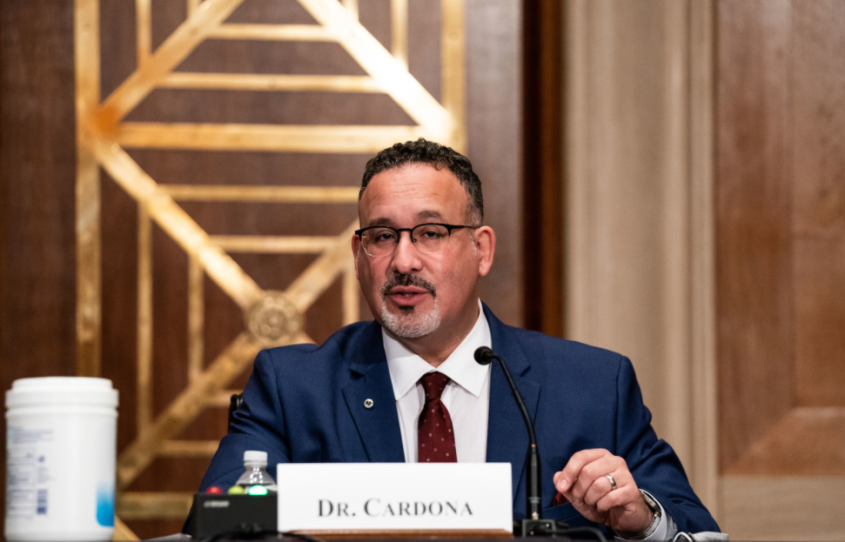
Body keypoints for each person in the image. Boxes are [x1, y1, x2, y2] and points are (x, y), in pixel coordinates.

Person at [187, 139, 720, 539]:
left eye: (430, 233)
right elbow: (216, 526)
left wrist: (641, 520)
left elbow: (697, 530)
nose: (403, 260)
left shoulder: (592, 386)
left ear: (481, 250)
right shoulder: (292, 387)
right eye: (381, 237)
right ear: (358, 255)